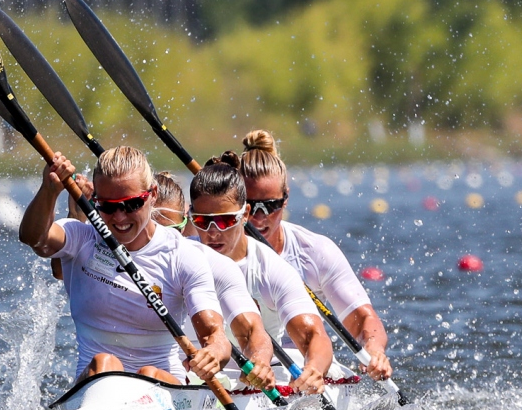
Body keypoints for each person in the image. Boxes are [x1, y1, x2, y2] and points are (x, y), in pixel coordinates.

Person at [19, 146, 232, 386]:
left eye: (131, 205)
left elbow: (216, 336)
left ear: (152, 194)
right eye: (108, 206)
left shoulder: (181, 256)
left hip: (163, 389)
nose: (119, 218)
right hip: (96, 383)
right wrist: (49, 191)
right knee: (104, 363)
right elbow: (34, 238)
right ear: (95, 200)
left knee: (148, 374)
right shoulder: (81, 238)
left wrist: (212, 354)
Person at [238, 130, 393, 381]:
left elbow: (362, 318)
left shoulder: (315, 252)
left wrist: (374, 351)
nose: (259, 216)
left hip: (306, 366)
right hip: (243, 365)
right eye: (250, 205)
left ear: (285, 198)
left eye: (270, 206)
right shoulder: (215, 249)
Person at [189, 157, 335, 394]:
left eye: (225, 220)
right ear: (190, 215)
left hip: (258, 376)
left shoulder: (272, 269)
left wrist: (314, 370)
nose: (213, 232)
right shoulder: (180, 256)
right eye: (202, 221)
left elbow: (313, 336)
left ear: (245, 214)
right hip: (195, 374)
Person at [151, 172, 275, 391]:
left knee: (149, 373)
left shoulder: (214, 264)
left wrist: (260, 362)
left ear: (183, 226)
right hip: (114, 375)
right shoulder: (105, 257)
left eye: (168, 232)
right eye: (149, 231)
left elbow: (250, 332)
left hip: (180, 381)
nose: (158, 242)